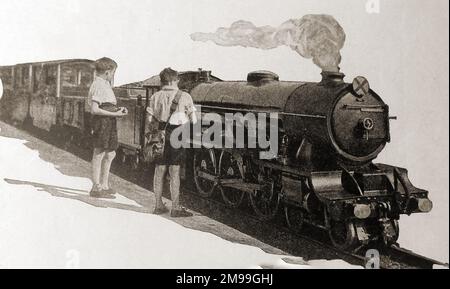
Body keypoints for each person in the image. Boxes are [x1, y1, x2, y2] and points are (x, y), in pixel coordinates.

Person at [147, 68, 196, 217]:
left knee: (159, 170)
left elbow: (150, 120)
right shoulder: (185, 96)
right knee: (175, 172)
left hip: (160, 134)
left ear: (162, 81)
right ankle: (175, 207)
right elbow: (194, 120)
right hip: (178, 135)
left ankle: (158, 205)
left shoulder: (156, 96)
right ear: (176, 80)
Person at [88, 57, 128, 199]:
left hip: (109, 121)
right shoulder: (98, 85)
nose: (113, 75)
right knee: (98, 153)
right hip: (102, 122)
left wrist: (117, 110)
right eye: (113, 72)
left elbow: (107, 103)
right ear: (108, 71)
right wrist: (114, 113)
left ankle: (104, 185)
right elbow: (94, 109)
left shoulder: (105, 84)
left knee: (110, 153)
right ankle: (96, 187)